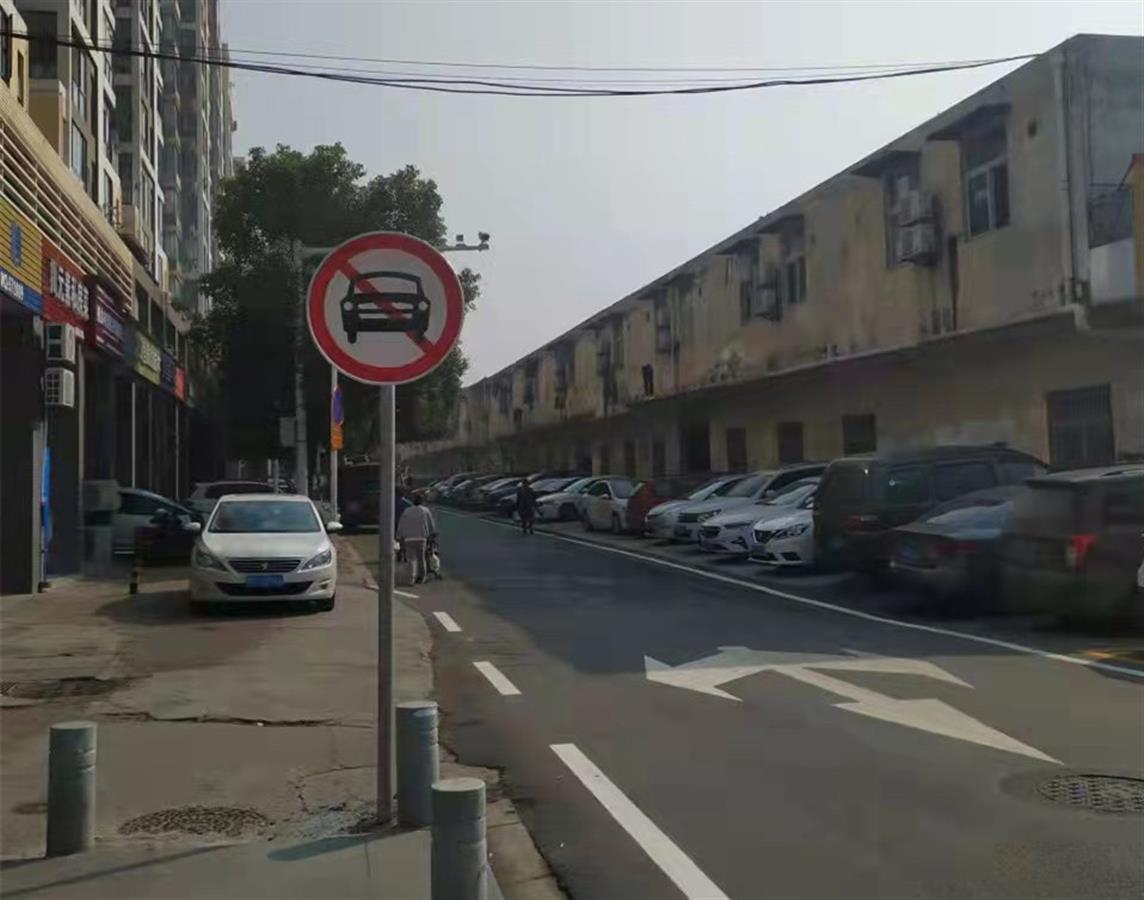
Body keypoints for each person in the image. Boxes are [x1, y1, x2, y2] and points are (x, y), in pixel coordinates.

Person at [396, 493, 436, 584]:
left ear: (413, 501)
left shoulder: (407, 511)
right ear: (422, 501)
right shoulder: (425, 511)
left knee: (411, 559)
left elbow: (401, 524)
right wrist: (432, 534)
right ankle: (421, 577)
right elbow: (431, 525)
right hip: (421, 537)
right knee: (421, 558)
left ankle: (411, 578)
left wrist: (399, 536)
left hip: (409, 538)